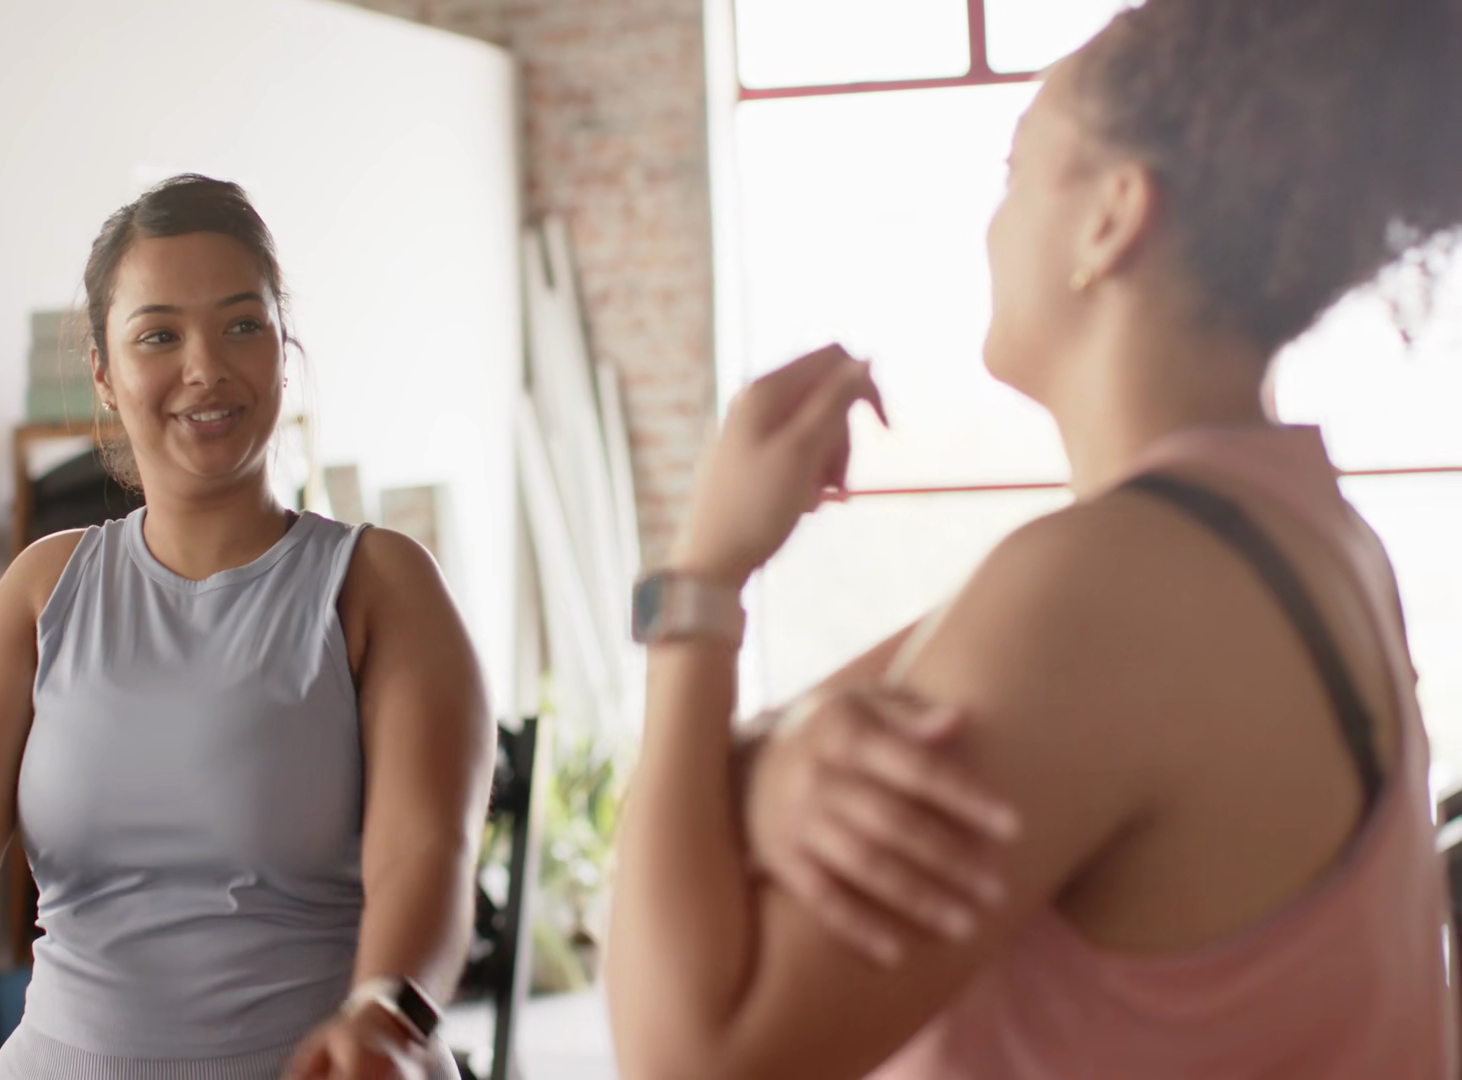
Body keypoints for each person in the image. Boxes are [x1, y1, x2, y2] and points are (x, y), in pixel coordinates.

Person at [608, 0, 1462, 1076]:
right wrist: (780, 764)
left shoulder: (1111, 593)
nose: (989, 226)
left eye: (1015, 172)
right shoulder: (1285, 528)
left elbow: (689, 1059)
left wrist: (702, 576)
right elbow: (748, 756)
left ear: (1111, 219)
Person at [0, 176, 495, 1080]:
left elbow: (429, 848)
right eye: (159, 335)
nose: (205, 368)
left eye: (242, 324)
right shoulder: (44, 589)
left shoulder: (381, 585)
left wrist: (387, 1012)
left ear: (283, 350)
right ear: (104, 374)